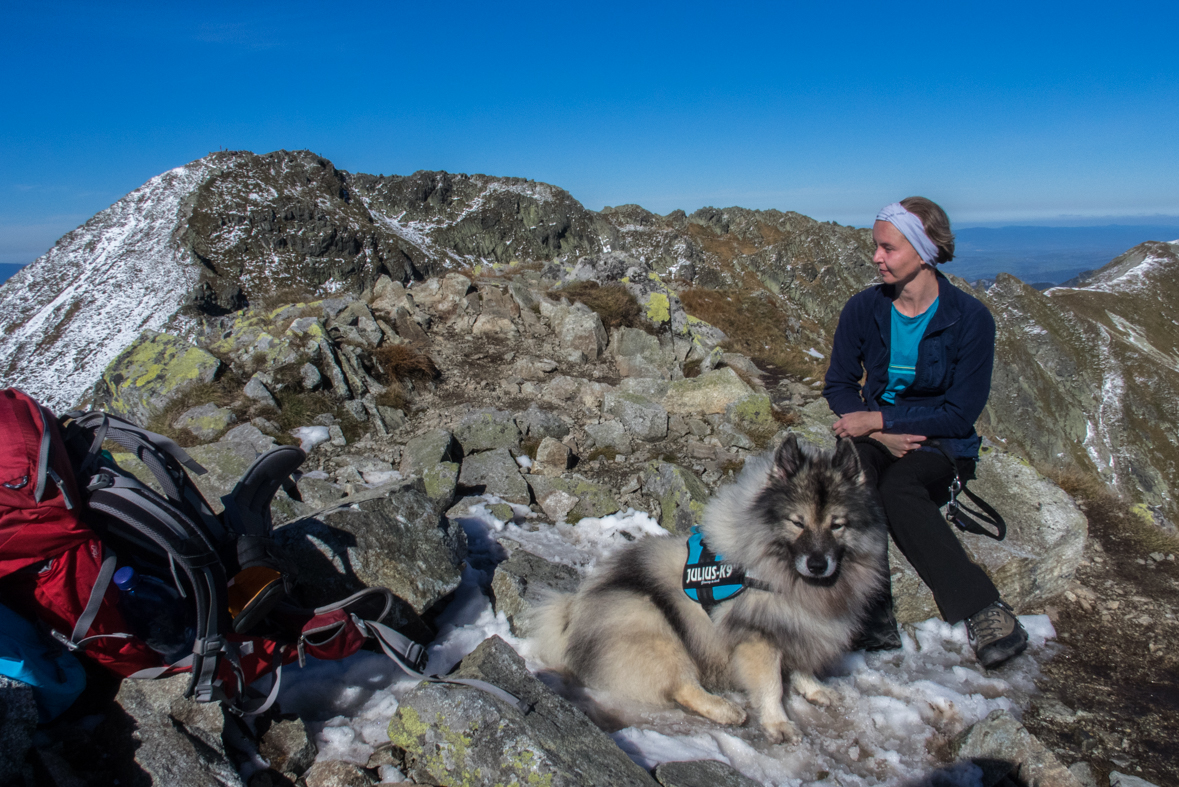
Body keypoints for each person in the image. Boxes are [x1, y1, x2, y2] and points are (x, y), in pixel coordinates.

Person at [822, 196, 1028, 669]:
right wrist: (875, 432)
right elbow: (838, 382)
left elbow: (959, 413)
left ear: (924, 249)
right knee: (853, 484)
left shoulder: (970, 319)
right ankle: (868, 613)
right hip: (874, 433)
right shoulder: (864, 308)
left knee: (899, 489)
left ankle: (984, 609)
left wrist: (879, 421)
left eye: (888, 248)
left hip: (938, 439)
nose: (877, 257)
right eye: (877, 247)